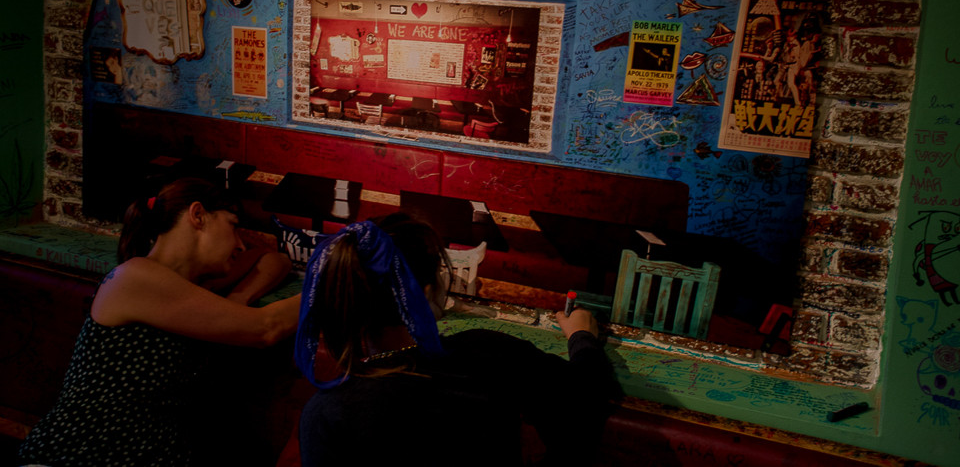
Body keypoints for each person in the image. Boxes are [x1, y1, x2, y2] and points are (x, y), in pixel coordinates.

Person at [17, 177, 302, 467]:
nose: (240, 244)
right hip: (76, 456)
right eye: (233, 226)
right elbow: (267, 328)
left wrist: (236, 301)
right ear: (198, 215)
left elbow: (274, 260)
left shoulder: (188, 288)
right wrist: (325, 285)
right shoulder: (135, 276)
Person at [295, 213, 620, 466]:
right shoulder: (489, 353)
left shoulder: (327, 413)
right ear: (423, 295)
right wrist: (581, 337)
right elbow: (587, 394)